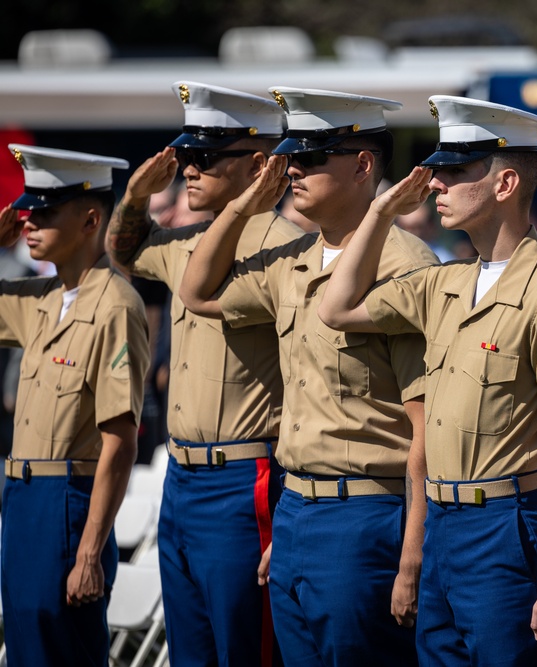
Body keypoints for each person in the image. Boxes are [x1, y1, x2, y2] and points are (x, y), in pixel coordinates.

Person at [317, 95, 537, 667]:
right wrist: (380, 213)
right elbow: (336, 307)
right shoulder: (445, 284)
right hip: (443, 528)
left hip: (506, 529)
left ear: (504, 184)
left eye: (454, 170)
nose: (436, 183)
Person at [179, 87, 438, 666]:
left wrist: (413, 554)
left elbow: (427, 426)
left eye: (314, 156)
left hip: (366, 516)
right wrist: (242, 207)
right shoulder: (291, 260)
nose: (293, 167)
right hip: (297, 511)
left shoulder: (405, 265)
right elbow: (196, 294)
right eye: (294, 153)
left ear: (363, 165)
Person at [105, 81, 303, 667]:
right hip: (182, 476)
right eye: (186, 156)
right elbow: (124, 250)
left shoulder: (288, 248)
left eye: (207, 158)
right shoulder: (186, 239)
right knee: (191, 650)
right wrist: (137, 195)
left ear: (259, 166)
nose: (190, 170)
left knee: (247, 649)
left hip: (248, 478)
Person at [0, 145, 150, 665]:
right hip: (20, 500)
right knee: (23, 648)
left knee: (61, 647)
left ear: (89, 219)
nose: (28, 221)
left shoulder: (115, 305)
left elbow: (120, 442)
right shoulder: (40, 299)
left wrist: (90, 551)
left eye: (44, 211)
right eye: (27, 210)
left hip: (68, 499)